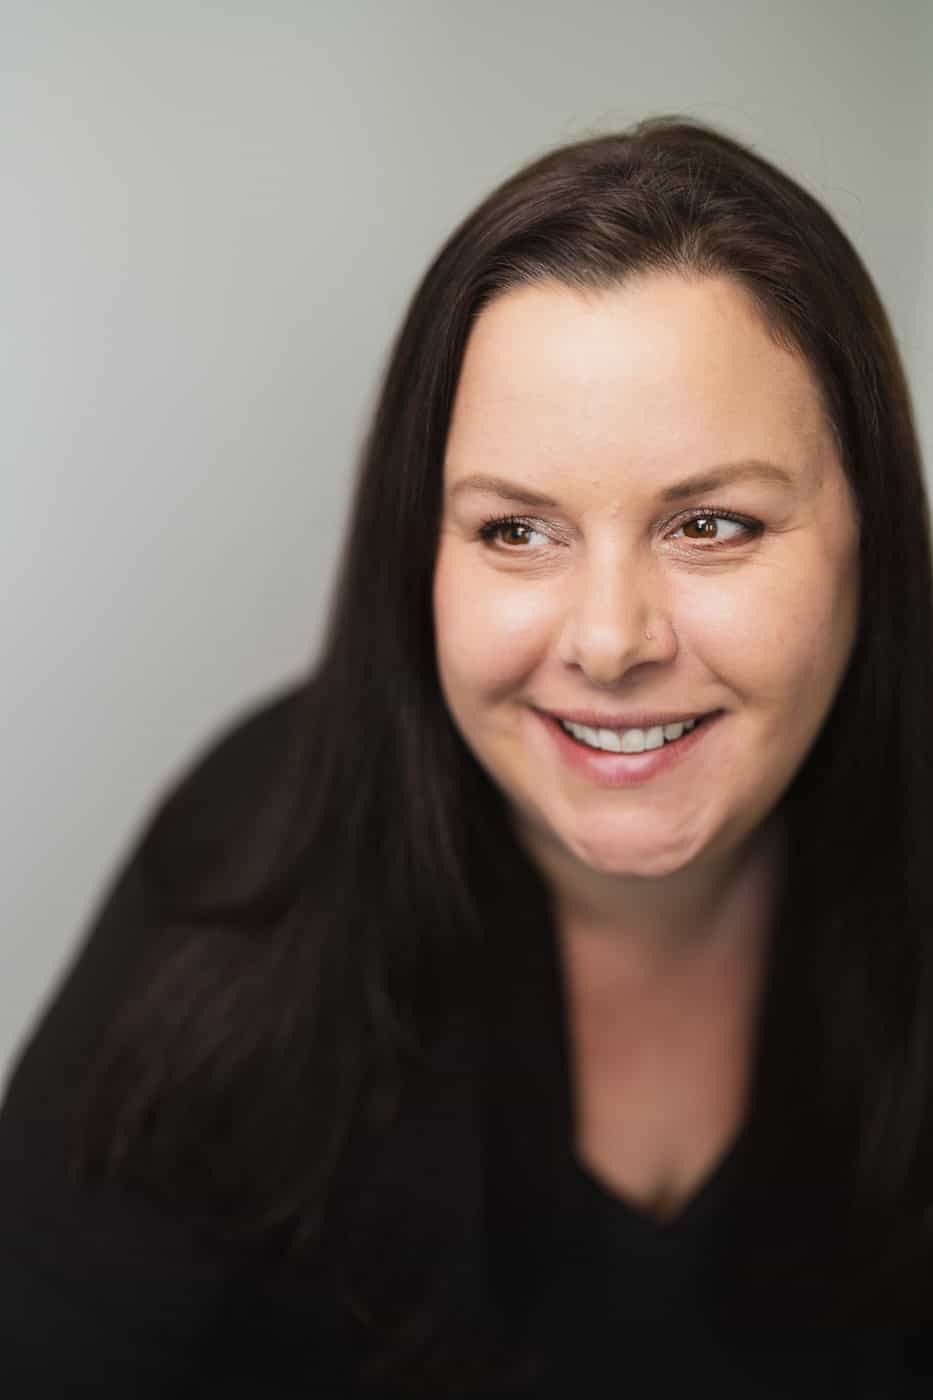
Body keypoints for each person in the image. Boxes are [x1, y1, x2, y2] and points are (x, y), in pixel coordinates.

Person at [2, 115, 932, 1397]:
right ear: (420, 556)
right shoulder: (248, 854)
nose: (609, 640)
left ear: (871, 534)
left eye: (711, 522)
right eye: (515, 531)